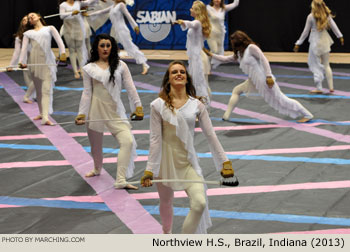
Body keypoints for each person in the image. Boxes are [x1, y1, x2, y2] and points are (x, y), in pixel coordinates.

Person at [140, 60, 235, 234]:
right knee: (166, 202)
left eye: (182, 72)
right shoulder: (157, 105)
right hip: (165, 164)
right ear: (168, 79)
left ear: (186, 78)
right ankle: (166, 233)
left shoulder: (197, 105)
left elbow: (211, 135)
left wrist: (224, 162)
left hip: (188, 163)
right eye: (174, 72)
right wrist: (149, 170)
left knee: (199, 203)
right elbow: (155, 139)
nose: (178, 74)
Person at [75, 34, 144, 190]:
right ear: (96, 48)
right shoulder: (89, 68)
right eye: (102, 45)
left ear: (112, 47)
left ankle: (120, 179)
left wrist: (138, 107)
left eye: (108, 45)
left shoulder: (121, 66)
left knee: (128, 141)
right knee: (96, 146)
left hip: (115, 111)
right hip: (95, 111)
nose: (105, 48)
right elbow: (87, 93)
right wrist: (82, 114)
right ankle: (97, 168)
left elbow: (131, 88)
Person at [204, 30, 314, 123]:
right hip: (253, 80)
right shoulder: (239, 53)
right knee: (236, 90)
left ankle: (307, 114)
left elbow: (264, 59)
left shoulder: (251, 48)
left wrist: (268, 76)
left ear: (242, 42)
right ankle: (226, 116)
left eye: (238, 45)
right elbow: (226, 59)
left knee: (281, 99)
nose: (237, 48)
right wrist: (211, 54)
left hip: (263, 80)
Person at [18, 12, 67, 126]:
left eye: (32, 15)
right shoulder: (28, 33)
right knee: (39, 91)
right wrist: (21, 62)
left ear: (39, 16)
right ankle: (42, 113)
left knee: (46, 90)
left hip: (47, 62)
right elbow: (24, 49)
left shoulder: (50, 28)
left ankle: (45, 117)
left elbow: (60, 42)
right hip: (34, 63)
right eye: (29, 17)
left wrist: (63, 53)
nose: (31, 18)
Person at [294, 0, 344, 94]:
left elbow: (305, 32)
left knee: (315, 64)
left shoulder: (310, 17)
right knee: (326, 64)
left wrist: (298, 43)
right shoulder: (326, 15)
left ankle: (319, 87)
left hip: (315, 42)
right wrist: (340, 36)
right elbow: (334, 27)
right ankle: (331, 87)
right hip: (325, 41)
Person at [87, 0, 150, 75]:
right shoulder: (112, 6)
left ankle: (145, 65)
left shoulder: (121, 5)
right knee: (112, 48)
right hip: (114, 31)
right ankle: (111, 67)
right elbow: (101, 12)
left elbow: (128, 16)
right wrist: (89, 14)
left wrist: (135, 26)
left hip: (122, 30)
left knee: (130, 47)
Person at [174, 0, 211, 105]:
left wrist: (182, 21)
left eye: (192, 8)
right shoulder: (198, 23)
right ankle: (200, 105)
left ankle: (202, 106)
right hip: (196, 56)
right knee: (198, 83)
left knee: (198, 82)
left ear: (197, 11)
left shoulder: (197, 23)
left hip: (198, 57)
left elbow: (191, 24)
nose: (190, 9)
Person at [59, 0, 98, 79]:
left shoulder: (78, 3)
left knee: (80, 50)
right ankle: (75, 71)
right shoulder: (63, 5)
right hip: (68, 29)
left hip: (78, 28)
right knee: (72, 50)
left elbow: (89, 2)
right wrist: (71, 13)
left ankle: (82, 70)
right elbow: (61, 16)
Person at [7, 15, 36, 104]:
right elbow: (16, 52)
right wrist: (11, 65)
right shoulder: (19, 37)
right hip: (25, 60)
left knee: (38, 78)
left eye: (27, 20)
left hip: (36, 58)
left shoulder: (35, 32)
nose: (25, 21)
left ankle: (28, 96)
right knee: (28, 80)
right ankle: (32, 96)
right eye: (23, 20)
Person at [206, 0, 240, 69]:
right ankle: (207, 65)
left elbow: (235, 4)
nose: (217, 0)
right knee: (214, 50)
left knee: (219, 51)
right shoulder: (208, 9)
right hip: (211, 33)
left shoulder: (223, 9)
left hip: (221, 34)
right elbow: (202, 18)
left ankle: (211, 65)